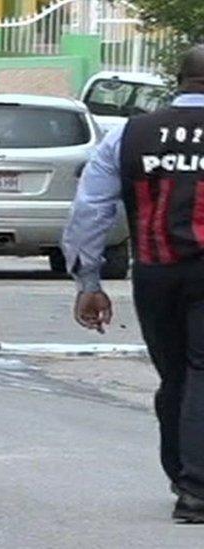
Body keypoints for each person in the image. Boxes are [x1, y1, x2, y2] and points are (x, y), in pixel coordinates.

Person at [63, 45, 204, 523]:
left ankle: (182, 472)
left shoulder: (129, 133)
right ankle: (195, 486)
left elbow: (90, 209)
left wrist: (88, 279)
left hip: (156, 271)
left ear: (178, 79)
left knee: (176, 375)